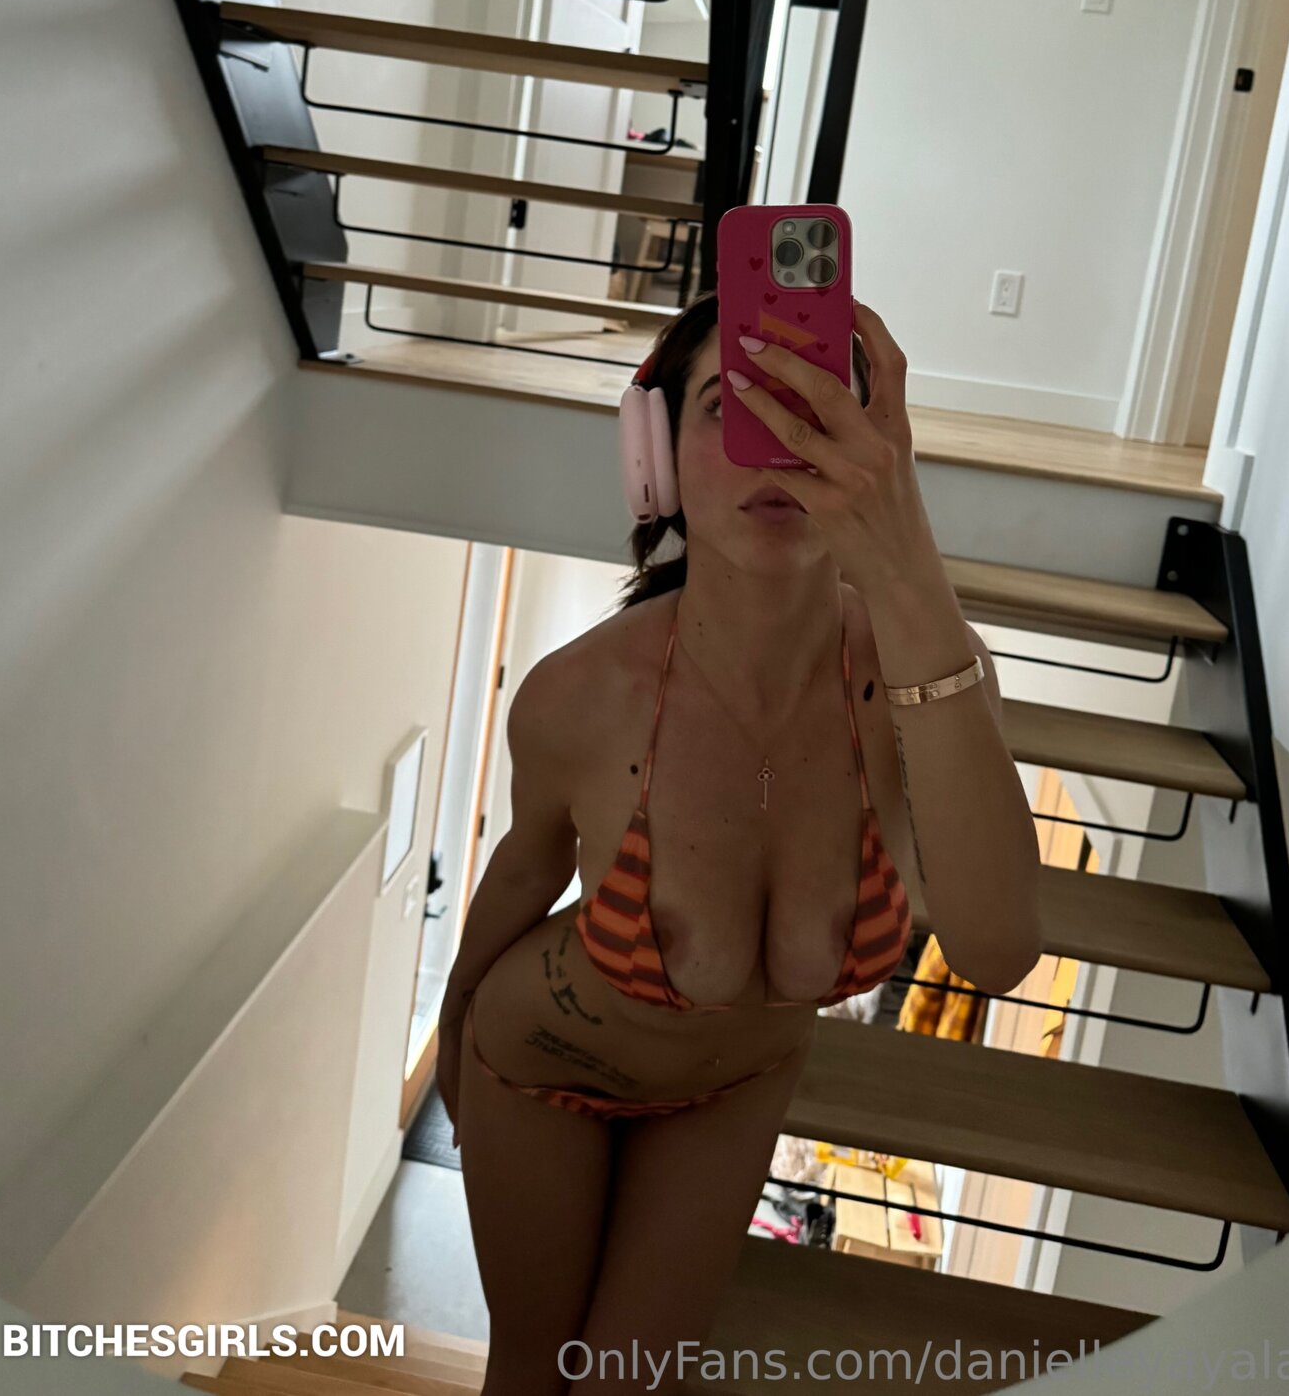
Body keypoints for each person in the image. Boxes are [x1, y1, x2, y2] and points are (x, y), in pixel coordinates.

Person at [436, 291, 1041, 1395]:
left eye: (818, 409)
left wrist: (906, 559)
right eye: (731, 405)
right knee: (531, 1372)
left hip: (736, 1086)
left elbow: (997, 949)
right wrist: (451, 1025)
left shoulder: (923, 675)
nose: (780, 447)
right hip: (539, 1066)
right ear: (657, 458)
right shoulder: (580, 696)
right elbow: (525, 868)